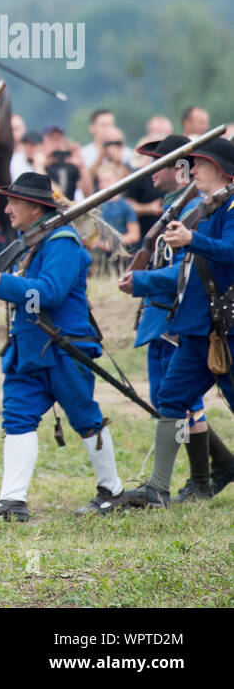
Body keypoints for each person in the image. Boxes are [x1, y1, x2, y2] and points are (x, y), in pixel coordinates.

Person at [0, 173, 125, 520]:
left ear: (34, 206)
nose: (7, 209)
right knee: (17, 418)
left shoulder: (62, 242)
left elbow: (50, 293)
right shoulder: (33, 241)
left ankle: (112, 490)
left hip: (64, 349)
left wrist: (2, 283)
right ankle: (12, 500)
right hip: (30, 347)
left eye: (13, 202)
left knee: (85, 418)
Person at [119, 137, 234, 509]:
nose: (193, 170)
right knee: (171, 399)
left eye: (199, 164)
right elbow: (186, 273)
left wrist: (193, 239)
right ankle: (157, 488)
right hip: (198, 328)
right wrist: (142, 282)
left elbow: (230, 252)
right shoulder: (205, 210)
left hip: (228, 327)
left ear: (220, 169)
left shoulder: (229, 208)